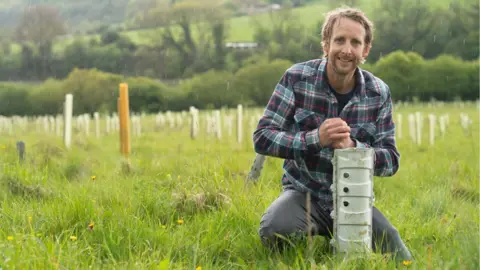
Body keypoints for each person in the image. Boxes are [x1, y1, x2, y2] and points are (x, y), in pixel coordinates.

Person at [252, 6, 413, 263]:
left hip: (355, 198)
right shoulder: (296, 78)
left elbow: (392, 160)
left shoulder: (379, 93)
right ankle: (314, 236)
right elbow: (262, 137)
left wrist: (354, 148)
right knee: (274, 230)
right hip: (303, 192)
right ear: (326, 44)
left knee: (399, 255)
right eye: (339, 40)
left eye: (355, 42)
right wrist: (315, 139)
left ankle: (345, 235)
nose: (347, 50)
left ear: (365, 50)